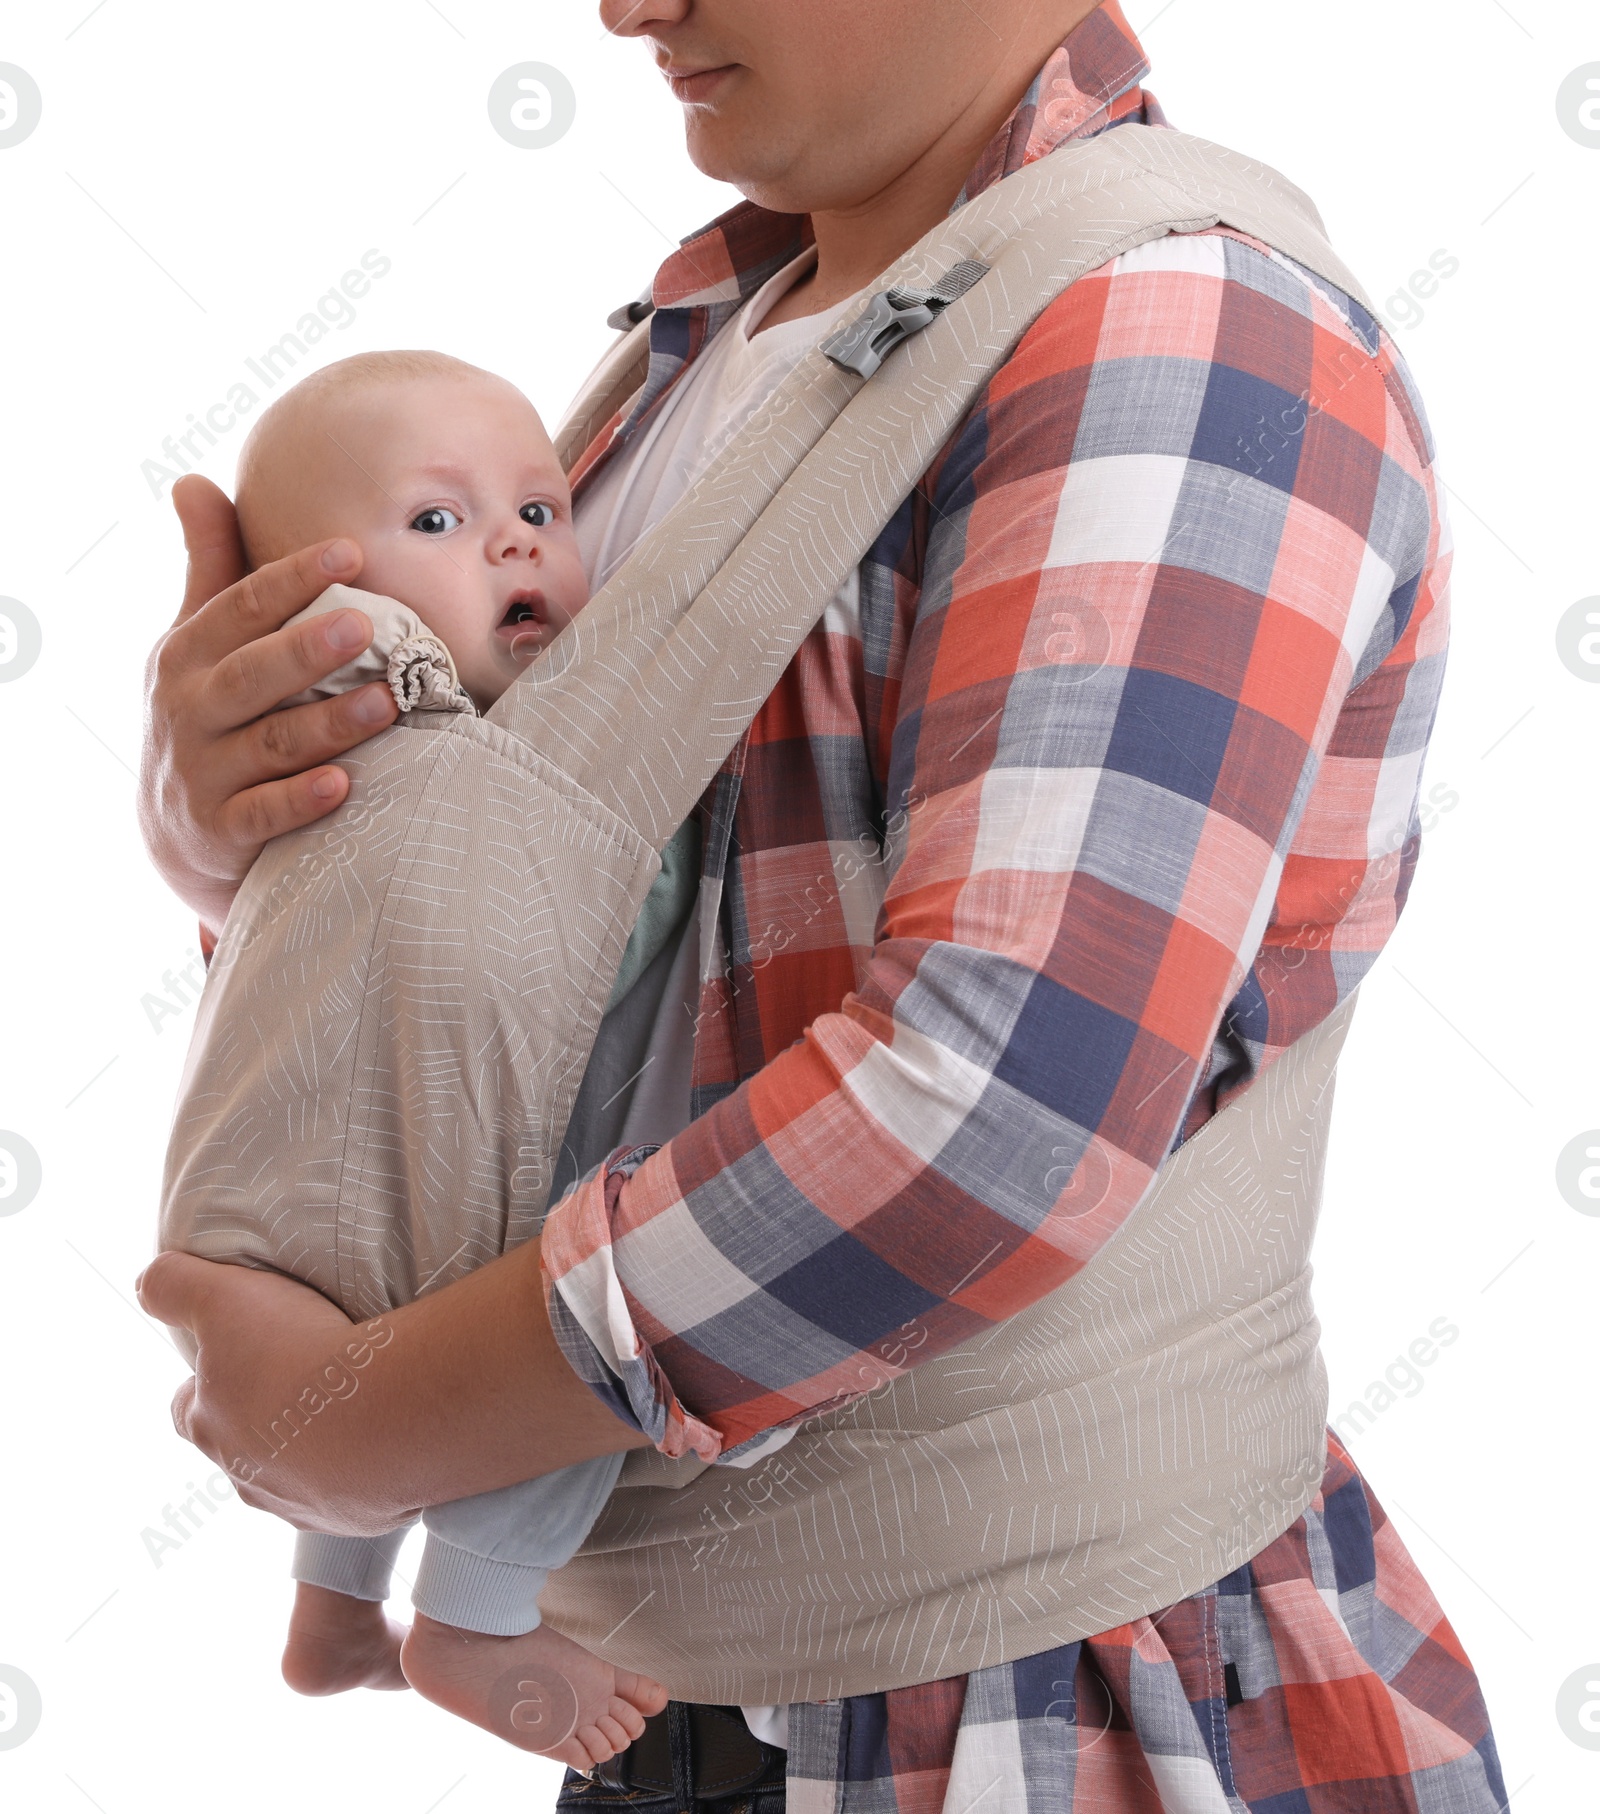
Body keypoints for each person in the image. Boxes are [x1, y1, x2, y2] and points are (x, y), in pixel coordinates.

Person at [136, 2, 1509, 1807]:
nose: (626, 5)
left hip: (1032, 1711)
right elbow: (552, 962)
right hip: (684, 1707)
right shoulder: (710, 350)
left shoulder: (1172, 329)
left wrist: (368, 1418)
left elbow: (992, 1105)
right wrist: (231, 832)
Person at [164, 347, 673, 1770]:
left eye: (542, 507)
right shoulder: (399, 713)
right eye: (438, 523)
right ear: (318, 607)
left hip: (274, 1204)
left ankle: (334, 1610)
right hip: (437, 1189)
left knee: (354, 1366)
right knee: (587, 1332)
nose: (518, 540)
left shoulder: (310, 758)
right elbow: (588, 939)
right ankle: (477, 1620)